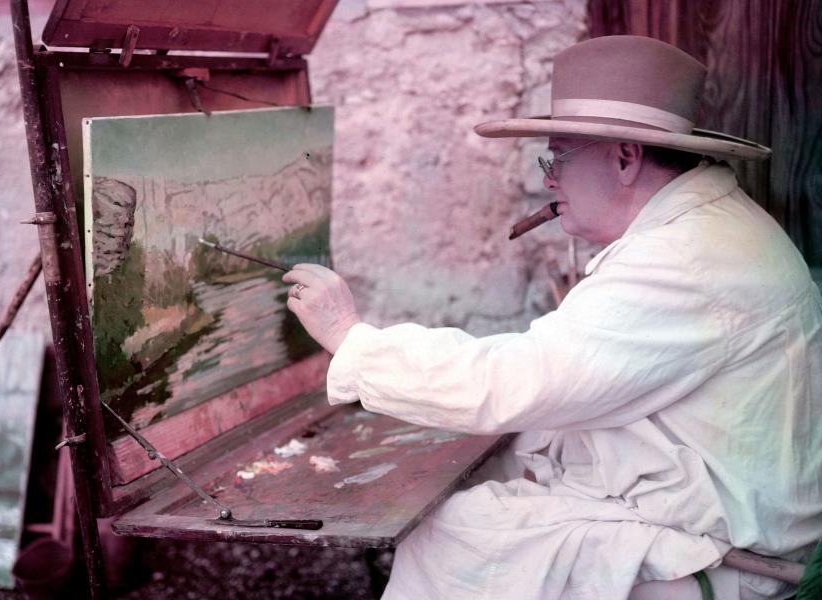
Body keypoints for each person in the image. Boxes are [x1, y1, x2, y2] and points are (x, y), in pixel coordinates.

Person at [282, 35, 822, 600]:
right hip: (723, 517)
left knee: (452, 542)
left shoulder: (683, 257)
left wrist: (350, 338)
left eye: (557, 156)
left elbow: (517, 381)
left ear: (625, 158)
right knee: (489, 487)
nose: (547, 179)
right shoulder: (701, 228)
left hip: (742, 561)